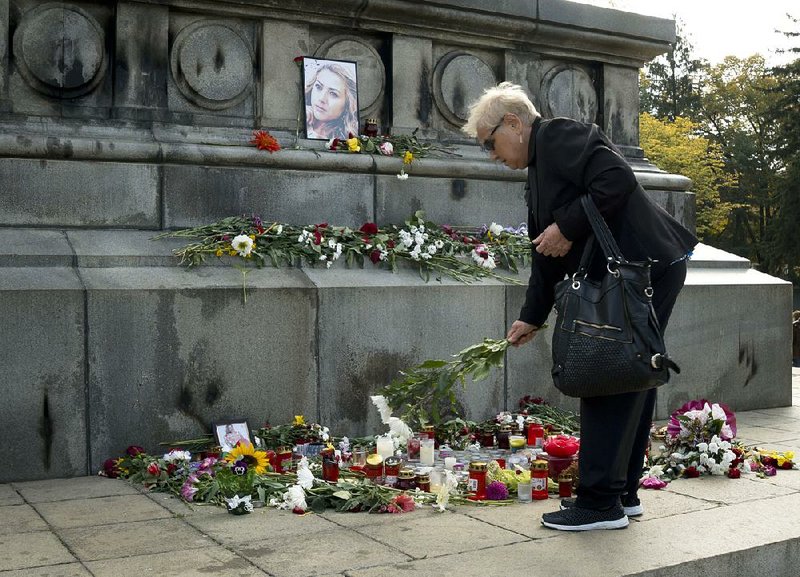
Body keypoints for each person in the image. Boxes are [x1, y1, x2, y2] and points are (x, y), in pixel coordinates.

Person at [463, 82, 697, 532]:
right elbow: (545, 250)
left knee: (610, 370)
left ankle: (599, 503)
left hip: (642, 268)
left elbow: (618, 180)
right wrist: (533, 314)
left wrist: (567, 225)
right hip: (636, 270)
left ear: (513, 123)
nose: (492, 154)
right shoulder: (538, 167)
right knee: (630, 371)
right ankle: (621, 494)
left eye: (490, 142)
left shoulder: (558, 136)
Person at [304, 60, 358, 140]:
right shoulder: (301, 117)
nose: (321, 98)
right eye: (318, 87)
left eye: (333, 94)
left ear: (347, 104)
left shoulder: (347, 140)